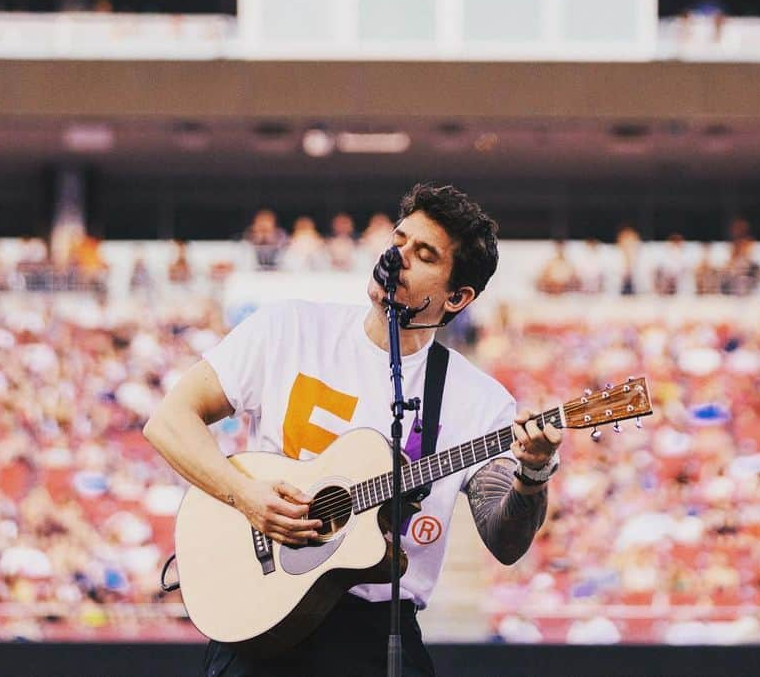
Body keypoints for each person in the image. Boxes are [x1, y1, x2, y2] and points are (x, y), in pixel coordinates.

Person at [143, 183, 561, 677]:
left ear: (457, 296)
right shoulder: (288, 328)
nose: (398, 256)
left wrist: (532, 475)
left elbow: (505, 542)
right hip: (264, 612)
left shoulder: (480, 401)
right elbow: (170, 420)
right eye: (399, 239)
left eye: (423, 254)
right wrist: (245, 495)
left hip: (376, 627)